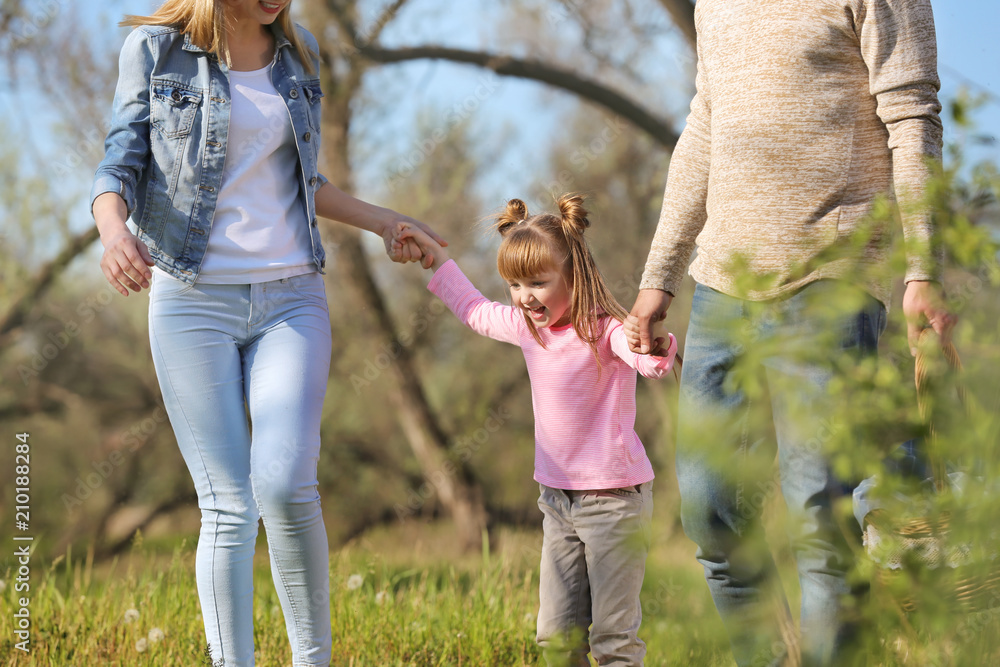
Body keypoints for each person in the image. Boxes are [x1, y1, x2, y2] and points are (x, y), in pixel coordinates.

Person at [90, 1, 439, 664]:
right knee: (228, 505)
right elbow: (119, 165)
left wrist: (384, 219)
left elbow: (308, 182)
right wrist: (114, 234)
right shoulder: (156, 51)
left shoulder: (298, 48)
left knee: (285, 485)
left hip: (292, 297)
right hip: (192, 300)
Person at [625, 1, 957, 665]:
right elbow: (705, 126)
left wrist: (925, 268)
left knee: (820, 519)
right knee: (711, 515)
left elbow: (912, 117)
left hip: (830, 278)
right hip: (721, 285)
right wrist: (658, 276)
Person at [397, 194, 677, 666]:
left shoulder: (605, 332)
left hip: (613, 501)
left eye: (538, 283)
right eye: (515, 284)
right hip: (557, 501)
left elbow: (649, 365)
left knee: (613, 640)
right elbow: (473, 310)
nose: (524, 296)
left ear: (573, 276)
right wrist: (436, 257)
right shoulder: (530, 329)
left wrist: (653, 343)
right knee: (555, 637)